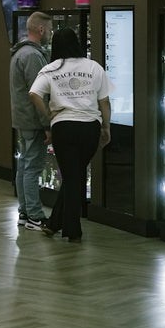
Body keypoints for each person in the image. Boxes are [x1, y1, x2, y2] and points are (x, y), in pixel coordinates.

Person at [29, 28, 114, 242]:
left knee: (71, 176)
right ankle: (58, 224)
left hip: (63, 127)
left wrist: (49, 113)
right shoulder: (93, 67)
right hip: (89, 127)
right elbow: (104, 101)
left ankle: (71, 229)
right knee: (74, 176)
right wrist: (106, 127)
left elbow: (34, 93)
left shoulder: (51, 69)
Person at [10, 11, 53, 231]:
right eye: (50, 29)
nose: (51, 34)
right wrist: (46, 123)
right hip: (33, 120)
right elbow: (39, 93)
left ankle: (24, 212)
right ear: (41, 29)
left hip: (21, 118)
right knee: (32, 168)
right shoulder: (34, 56)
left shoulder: (19, 53)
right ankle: (35, 215)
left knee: (24, 165)